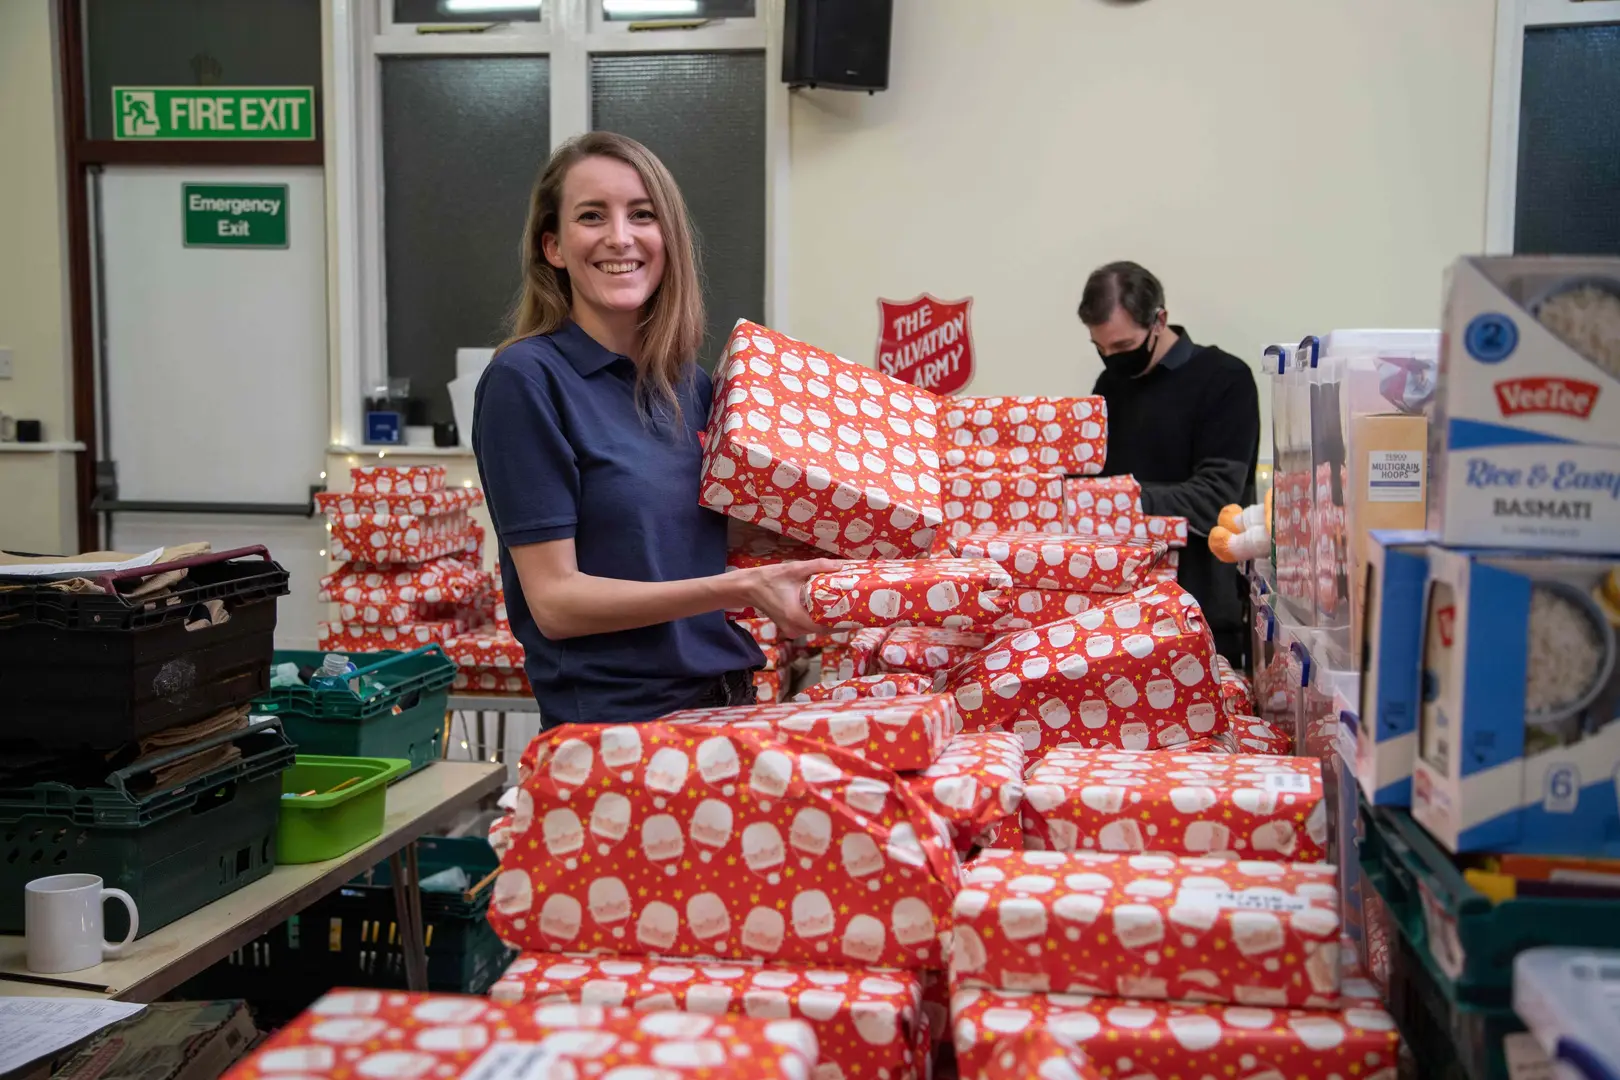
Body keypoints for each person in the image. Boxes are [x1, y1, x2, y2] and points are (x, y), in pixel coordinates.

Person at [473, 132, 838, 727]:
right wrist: (742, 588)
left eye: (642, 215)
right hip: (619, 731)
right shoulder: (527, 380)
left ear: (667, 238)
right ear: (554, 247)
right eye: (592, 216)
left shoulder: (690, 387)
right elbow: (557, 603)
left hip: (728, 703)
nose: (620, 237)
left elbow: (693, 542)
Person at [1078, 261, 1260, 666]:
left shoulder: (1226, 380)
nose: (1111, 359)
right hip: (1119, 611)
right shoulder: (1110, 386)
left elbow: (1214, 498)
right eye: (1100, 349)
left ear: (1160, 320)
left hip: (1199, 613)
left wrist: (1106, 498)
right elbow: (1093, 477)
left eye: (1122, 347)